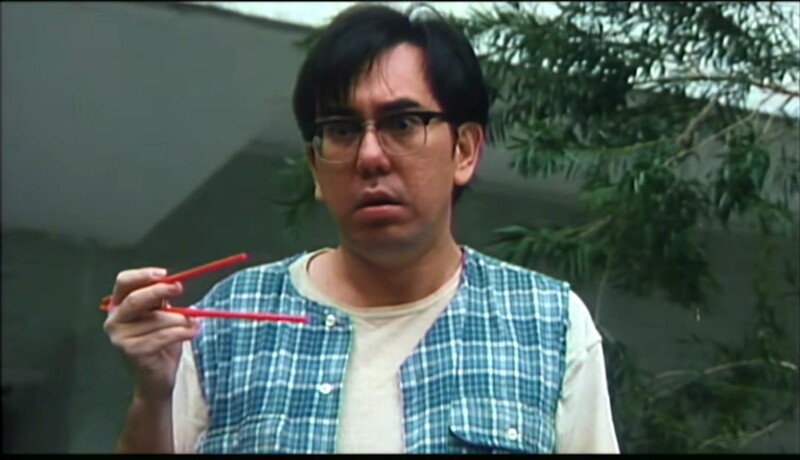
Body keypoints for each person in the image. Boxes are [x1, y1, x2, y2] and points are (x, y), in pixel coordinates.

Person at [103, 3, 619, 454]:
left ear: (464, 150)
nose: (370, 155)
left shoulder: (547, 324)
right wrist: (151, 394)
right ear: (315, 166)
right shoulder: (227, 323)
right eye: (343, 130)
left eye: (402, 123)